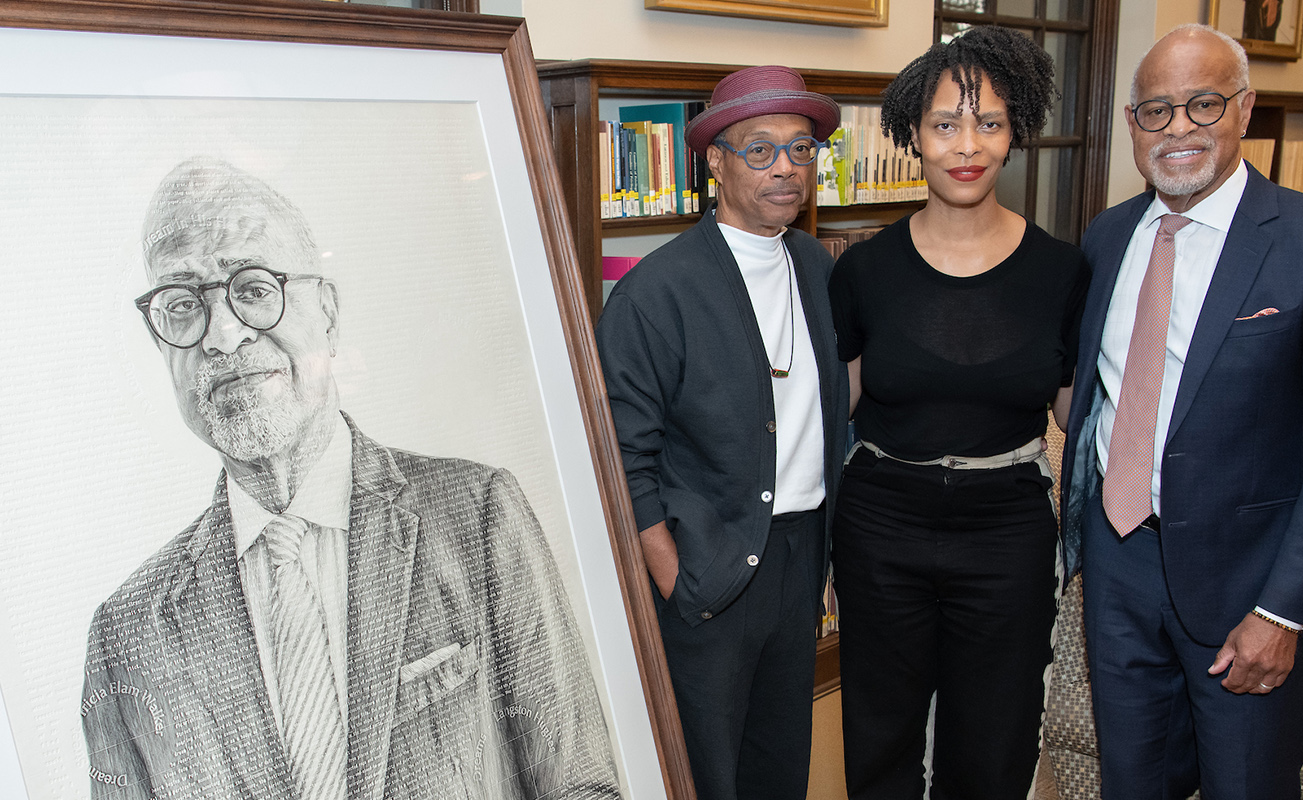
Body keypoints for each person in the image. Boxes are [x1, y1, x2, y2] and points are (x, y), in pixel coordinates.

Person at [81, 158, 621, 800]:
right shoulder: (128, 632)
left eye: (253, 289)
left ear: (328, 314)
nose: (222, 336)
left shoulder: (476, 518)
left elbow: (582, 786)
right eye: (181, 304)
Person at [1060, 24, 1303, 799]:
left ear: (1245, 109)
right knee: (1131, 784)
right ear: (1131, 125)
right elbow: (1100, 386)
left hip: (1251, 587)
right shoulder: (1108, 237)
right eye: (1156, 111)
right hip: (1119, 567)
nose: (1178, 129)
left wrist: (1285, 613)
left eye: (1201, 104)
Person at [827, 27, 1089, 800]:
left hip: (1007, 528)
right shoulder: (865, 270)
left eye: (990, 123)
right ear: (913, 136)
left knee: (994, 740)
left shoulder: (1064, 271)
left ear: (1016, 135)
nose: (966, 145)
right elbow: (829, 408)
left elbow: (1080, 411)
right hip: (881, 521)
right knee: (879, 736)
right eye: (945, 125)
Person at [594, 66, 850, 800]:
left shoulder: (814, 265)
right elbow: (621, 456)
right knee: (708, 773)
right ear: (715, 162)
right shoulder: (655, 291)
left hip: (799, 559)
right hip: (708, 567)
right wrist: (676, 578)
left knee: (779, 763)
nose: (785, 170)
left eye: (801, 151)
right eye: (760, 150)